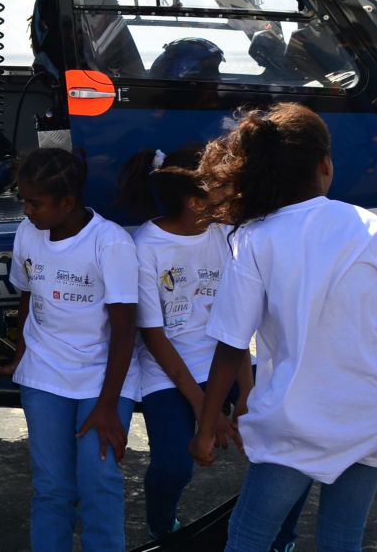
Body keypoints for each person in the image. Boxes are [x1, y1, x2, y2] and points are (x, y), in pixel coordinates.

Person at [190, 103, 377, 552]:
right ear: (324, 165)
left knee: (249, 537)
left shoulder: (254, 239)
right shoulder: (369, 227)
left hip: (295, 422)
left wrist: (205, 427)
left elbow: (231, 347)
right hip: (371, 414)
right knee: (342, 538)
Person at [120, 146, 303, 548]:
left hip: (228, 359)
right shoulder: (145, 247)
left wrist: (247, 394)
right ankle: (163, 527)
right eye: (221, 188)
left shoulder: (226, 235)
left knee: (291, 443)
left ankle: (281, 538)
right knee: (173, 468)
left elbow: (236, 325)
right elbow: (155, 337)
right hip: (168, 370)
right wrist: (208, 410)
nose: (232, 196)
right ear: (193, 201)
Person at [0, 147, 138, 552]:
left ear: (68, 203)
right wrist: (22, 353)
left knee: (99, 482)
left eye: (35, 203)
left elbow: (125, 329)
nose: (27, 211)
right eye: (24, 200)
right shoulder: (28, 233)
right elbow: (27, 296)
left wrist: (109, 404)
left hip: (102, 376)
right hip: (44, 373)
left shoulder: (110, 243)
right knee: (52, 487)